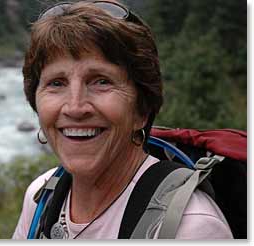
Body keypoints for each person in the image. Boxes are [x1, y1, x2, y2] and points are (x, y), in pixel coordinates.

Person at [12, 0, 233, 239]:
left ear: (142, 109)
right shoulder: (42, 197)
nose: (75, 107)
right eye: (56, 83)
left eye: (101, 81)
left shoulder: (190, 228)